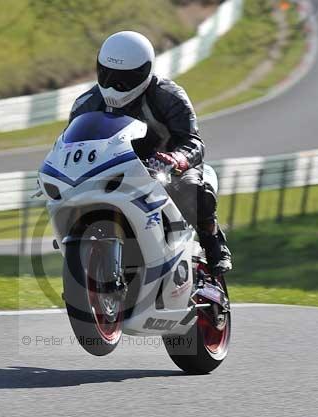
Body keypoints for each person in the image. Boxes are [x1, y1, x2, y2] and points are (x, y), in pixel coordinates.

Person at [69, 30, 232, 273]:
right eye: (108, 75)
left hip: (165, 169)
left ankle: (213, 242)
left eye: (124, 79)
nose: (114, 85)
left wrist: (176, 159)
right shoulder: (86, 104)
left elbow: (193, 142)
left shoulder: (169, 95)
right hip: (112, 170)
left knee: (191, 188)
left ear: (144, 72)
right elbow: (71, 144)